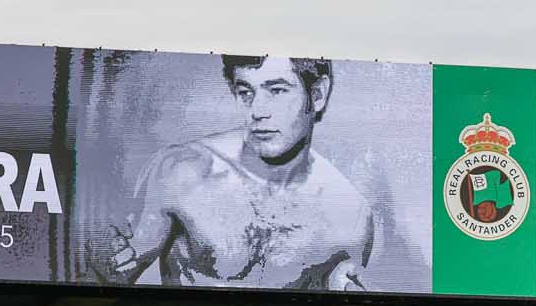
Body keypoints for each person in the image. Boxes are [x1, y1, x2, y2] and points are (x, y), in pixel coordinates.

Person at [98, 55, 376, 290]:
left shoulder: (350, 216)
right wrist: (102, 266)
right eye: (246, 92)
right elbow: (107, 278)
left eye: (277, 91)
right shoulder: (184, 172)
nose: (257, 111)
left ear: (317, 94)